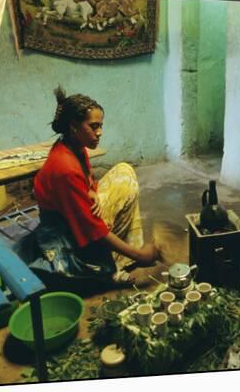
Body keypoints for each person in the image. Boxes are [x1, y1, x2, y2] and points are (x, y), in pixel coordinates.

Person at [16, 86, 159, 288]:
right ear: (74, 126)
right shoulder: (65, 167)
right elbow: (92, 230)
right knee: (102, 221)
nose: (99, 132)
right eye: (93, 126)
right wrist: (141, 256)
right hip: (61, 232)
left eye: (100, 125)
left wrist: (91, 189)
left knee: (124, 171)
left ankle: (122, 253)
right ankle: (117, 263)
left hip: (68, 214)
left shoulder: (73, 146)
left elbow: (88, 177)